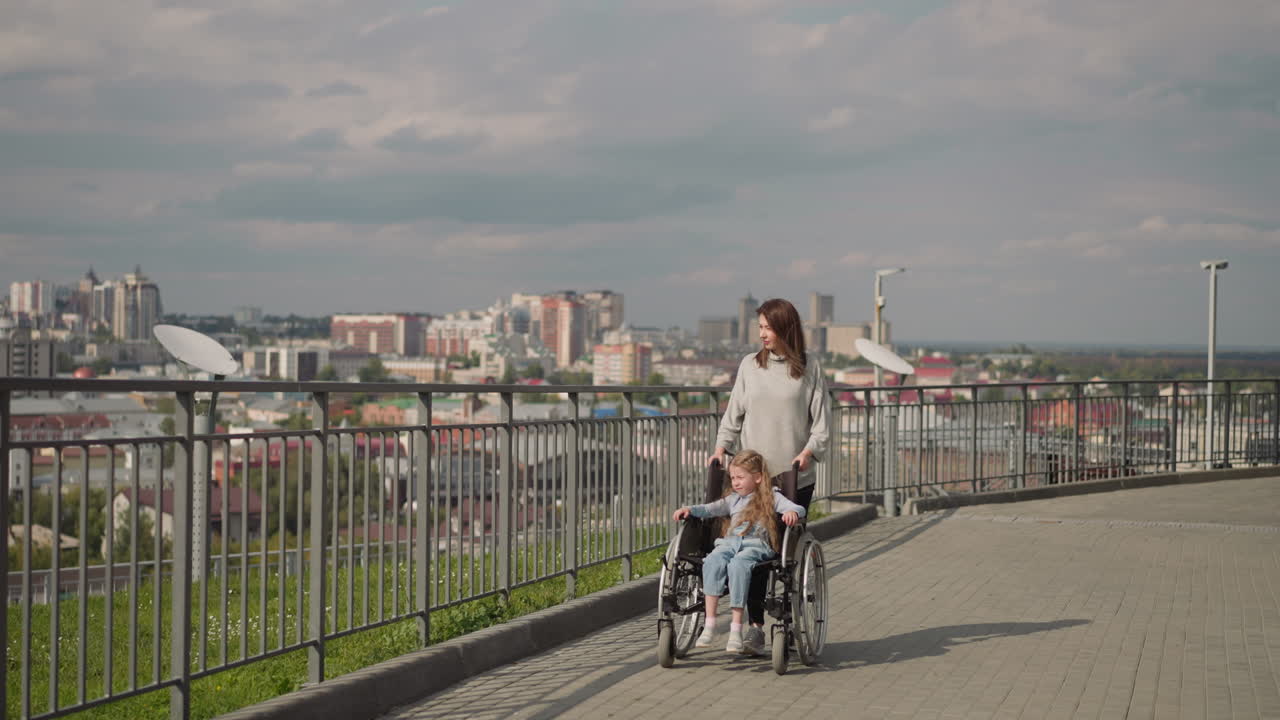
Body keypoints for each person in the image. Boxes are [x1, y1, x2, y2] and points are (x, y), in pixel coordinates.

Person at [707, 297, 829, 656]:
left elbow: (822, 425)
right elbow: (733, 414)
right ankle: (756, 628)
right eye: (759, 327)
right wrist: (721, 447)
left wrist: (809, 452)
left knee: (784, 556)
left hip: (792, 477)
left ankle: (789, 621)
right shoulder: (749, 365)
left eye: (767, 327)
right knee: (753, 550)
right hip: (752, 480)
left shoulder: (809, 367)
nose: (761, 334)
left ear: (785, 329)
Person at [672, 450, 805, 653]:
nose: (735, 482)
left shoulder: (772, 497)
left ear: (758, 478)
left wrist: (791, 512)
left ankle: (735, 629)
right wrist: (689, 509)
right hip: (729, 543)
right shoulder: (732, 500)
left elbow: (798, 508)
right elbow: (709, 509)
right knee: (712, 561)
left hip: (755, 545)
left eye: (740, 477)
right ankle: (709, 624)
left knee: (738, 565)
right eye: (733, 478)